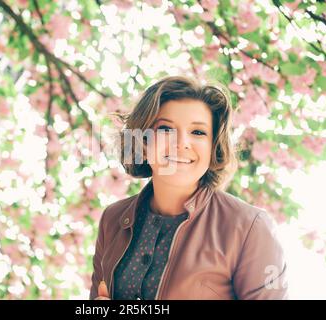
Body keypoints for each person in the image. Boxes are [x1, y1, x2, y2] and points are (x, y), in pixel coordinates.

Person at [90, 76, 288, 300]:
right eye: (165, 129)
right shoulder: (112, 219)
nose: (181, 142)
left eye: (198, 132)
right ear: (142, 144)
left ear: (213, 147)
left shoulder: (250, 228)